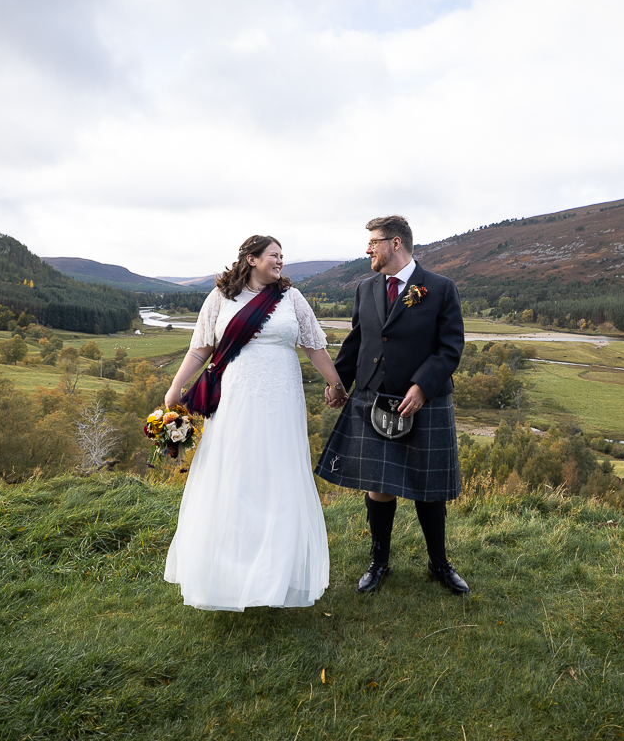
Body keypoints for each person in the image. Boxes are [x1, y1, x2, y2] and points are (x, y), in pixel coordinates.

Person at [162, 235, 345, 611]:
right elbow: (201, 348)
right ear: (251, 259)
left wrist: (336, 384)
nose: (280, 261)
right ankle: (229, 574)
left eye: (282, 256)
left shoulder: (292, 298)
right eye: (274, 255)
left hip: (282, 400)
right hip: (237, 397)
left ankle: (276, 574)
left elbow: (314, 346)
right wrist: (175, 387)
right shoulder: (220, 298)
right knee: (236, 474)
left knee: (279, 475)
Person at [314, 215, 469, 594]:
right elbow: (357, 341)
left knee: (428, 486)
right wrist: (338, 383)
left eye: (374, 242)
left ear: (395, 243)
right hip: (372, 397)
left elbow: (450, 347)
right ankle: (379, 561)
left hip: (423, 402)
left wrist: (422, 387)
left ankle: (439, 564)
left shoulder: (440, 288)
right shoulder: (366, 287)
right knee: (378, 484)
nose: (368, 249)